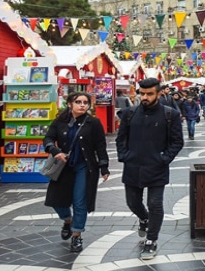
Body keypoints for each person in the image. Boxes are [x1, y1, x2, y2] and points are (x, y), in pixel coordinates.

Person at [115, 78, 184, 260]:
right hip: (132, 166)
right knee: (132, 202)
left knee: (155, 204)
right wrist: (124, 156)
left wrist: (164, 158)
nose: (145, 97)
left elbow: (177, 141)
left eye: (149, 94)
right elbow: (120, 139)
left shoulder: (170, 115)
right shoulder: (129, 114)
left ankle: (151, 240)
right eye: (142, 93)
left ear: (159, 94)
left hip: (156, 167)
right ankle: (144, 219)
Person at [43, 91, 110, 253]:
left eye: (85, 102)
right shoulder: (60, 121)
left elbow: (100, 146)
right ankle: (68, 220)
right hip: (63, 167)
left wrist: (104, 167)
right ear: (70, 104)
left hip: (85, 167)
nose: (82, 105)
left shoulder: (93, 122)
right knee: (56, 201)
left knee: (80, 201)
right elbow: (48, 138)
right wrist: (54, 150)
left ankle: (77, 235)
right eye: (78, 102)